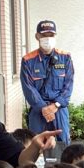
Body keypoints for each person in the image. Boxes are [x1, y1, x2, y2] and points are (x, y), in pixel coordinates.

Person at [21, 20, 75, 151]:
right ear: (37, 37)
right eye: (44, 35)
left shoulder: (65, 57)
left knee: (63, 146)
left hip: (59, 109)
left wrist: (55, 105)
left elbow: (68, 85)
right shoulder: (28, 60)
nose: (48, 39)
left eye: (51, 35)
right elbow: (28, 87)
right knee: (35, 145)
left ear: (55, 36)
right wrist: (43, 108)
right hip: (38, 110)